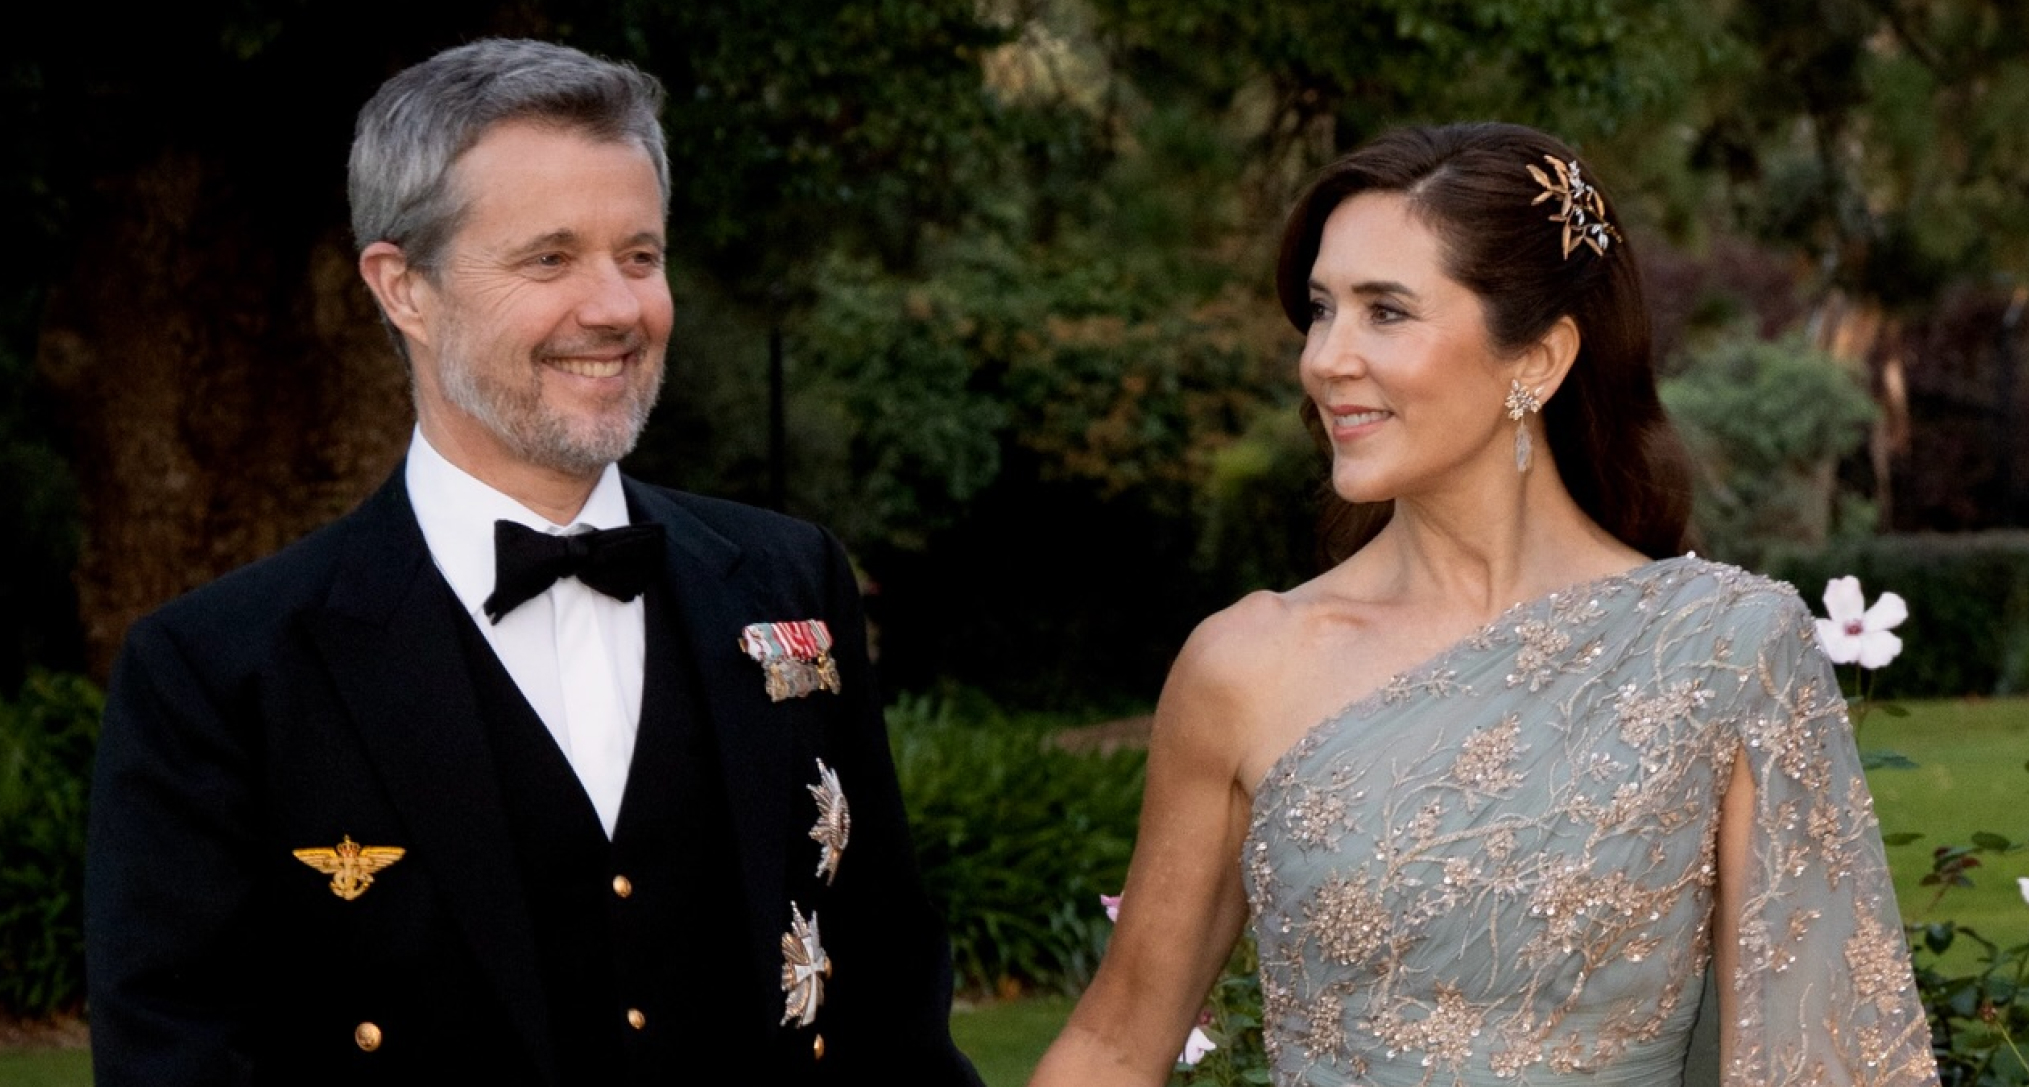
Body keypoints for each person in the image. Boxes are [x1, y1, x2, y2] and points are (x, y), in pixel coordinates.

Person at [84, 37, 982, 1087]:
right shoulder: (220, 672)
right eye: (548, 259)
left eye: (638, 256)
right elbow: (177, 1060)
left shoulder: (788, 583)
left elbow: (888, 1006)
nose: (615, 308)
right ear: (402, 288)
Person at [1029, 121, 1938, 1087]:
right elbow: (1115, 1043)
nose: (1326, 358)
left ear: (1537, 360)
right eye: (1320, 309)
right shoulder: (1245, 663)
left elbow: (1827, 1057)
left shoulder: (1724, 648)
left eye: (1385, 312)